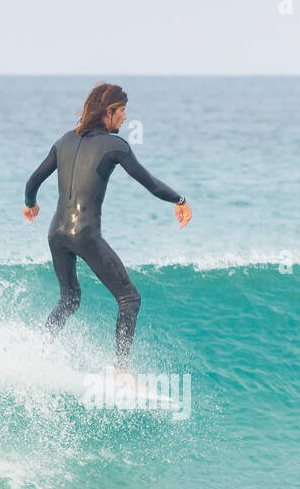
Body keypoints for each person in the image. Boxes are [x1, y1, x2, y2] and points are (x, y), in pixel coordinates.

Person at [23, 83, 192, 374]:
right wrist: (180, 200)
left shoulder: (63, 141)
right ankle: (121, 371)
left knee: (69, 299)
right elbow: (150, 183)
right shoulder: (115, 146)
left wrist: (31, 204)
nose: (125, 118)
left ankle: (40, 353)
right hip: (84, 235)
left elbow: (32, 182)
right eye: (122, 111)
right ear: (108, 112)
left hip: (56, 233)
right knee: (129, 298)